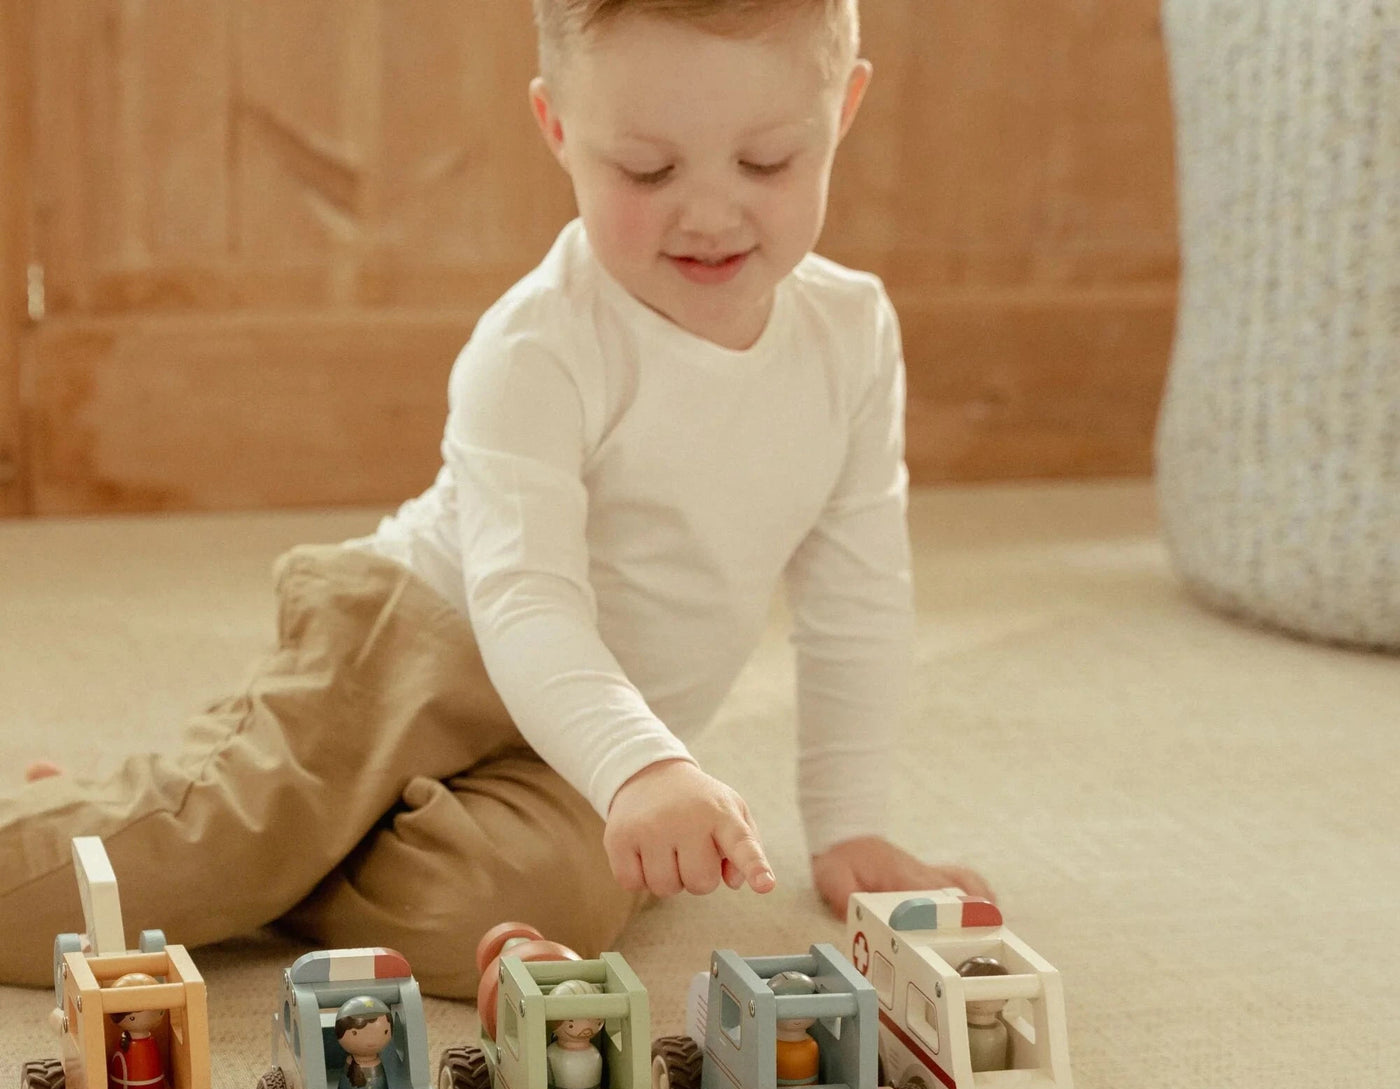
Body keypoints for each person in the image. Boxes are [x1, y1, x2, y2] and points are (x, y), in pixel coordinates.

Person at [0, 0, 991, 999]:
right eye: (647, 171)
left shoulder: (851, 335)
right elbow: (526, 600)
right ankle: (184, 831)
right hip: (418, 642)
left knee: (547, 913)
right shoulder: (539, 345)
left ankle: (295, 848)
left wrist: (847, 824)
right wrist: (643, 771)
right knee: (200, 848)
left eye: (768, 162)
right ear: (558, 129)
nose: (709, 212)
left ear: (843, 107)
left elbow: (856, 596)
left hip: (592, 730)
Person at [333, 996, 395, 1089]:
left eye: (384, 1032)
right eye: (355, 1033)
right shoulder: (351, 1064)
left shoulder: (376, 1064)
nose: (371, 1041)